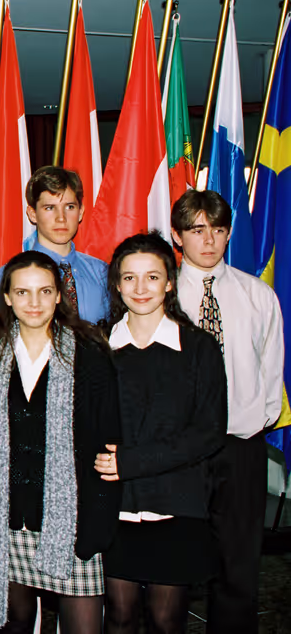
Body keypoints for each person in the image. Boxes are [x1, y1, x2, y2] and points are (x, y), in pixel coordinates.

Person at [0, 250, 121, 633]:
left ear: (58, 296)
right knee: (15, 623)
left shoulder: (90, 355)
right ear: (7, 298)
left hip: (73, 524)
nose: (34, 302)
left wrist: (97, 526)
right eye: (22, 292)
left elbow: (107, 443)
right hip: (9, 524)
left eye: (44, 291)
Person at [95, 232, 227, 634]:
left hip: (176, 506)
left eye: (152, 277)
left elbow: (209, 432)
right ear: (117, 285)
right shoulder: (98, 345)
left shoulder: (199, 347)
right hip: (114, 508)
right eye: (129, 277)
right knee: (118, 618)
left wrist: (131, 462)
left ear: (169, 282)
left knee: (166, 621)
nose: (141, 288)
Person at [169, 190, 285, 633]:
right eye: (197, 230)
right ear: (178, 235)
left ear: (229, 233)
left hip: (240, 446)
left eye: (217, 230)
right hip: (179, 452)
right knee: (172, 568)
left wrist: (252, 422)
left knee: (238, 566)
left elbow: (271, 371)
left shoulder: (257, 295)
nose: (209, 240)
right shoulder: (160, 294)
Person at [0, 166, 109, 328]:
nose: (61, 218)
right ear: (32, 214)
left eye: (70, 207)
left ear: (80, 212)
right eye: (50, 208)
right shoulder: (7, 276)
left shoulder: (101, 273)